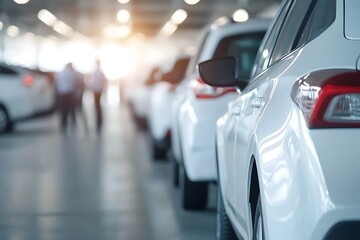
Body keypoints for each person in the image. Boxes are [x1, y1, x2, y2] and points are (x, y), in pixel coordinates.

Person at [55, 62, 82, 132]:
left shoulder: (61, 73)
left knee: (65, 110)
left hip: (63, 93)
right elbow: (77, 83)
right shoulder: (73, 73)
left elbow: (57, 83)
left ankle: (64, 124)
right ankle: (72, 123)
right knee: (71, 109)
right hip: (70, 93)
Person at [89, 60, 106, 131]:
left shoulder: (96, 72)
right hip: (98, 90)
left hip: (97, 90)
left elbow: (92, 82)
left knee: (97, 105)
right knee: (98, 105)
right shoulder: (100, 72)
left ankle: (99, 119)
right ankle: (99, 119)